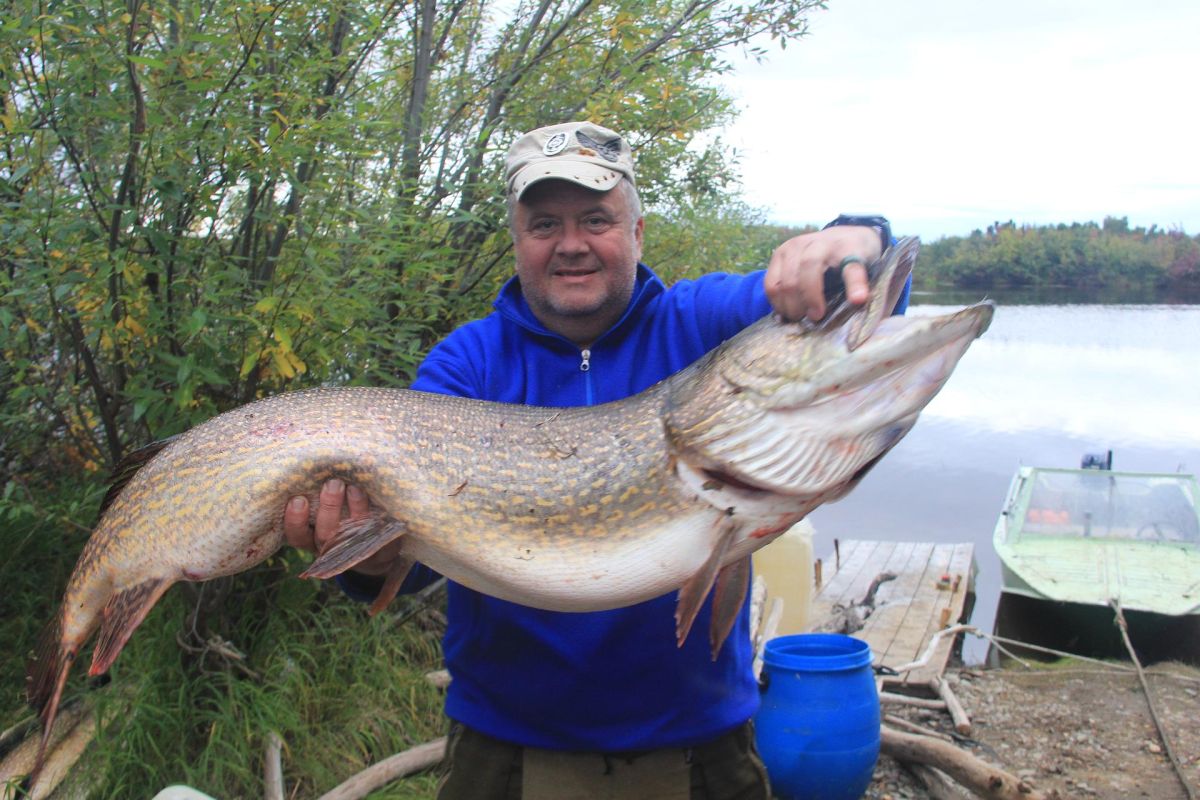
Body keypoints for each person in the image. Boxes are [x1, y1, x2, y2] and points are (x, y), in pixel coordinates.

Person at [283, 121, 908, 799]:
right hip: (505, 756)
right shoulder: (466, 366)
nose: (571, 244)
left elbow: (853, 315)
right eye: (545, 222)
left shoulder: (700, 323)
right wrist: (367, 554)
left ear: (637, 234)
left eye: (596, 219)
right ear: (517, 241)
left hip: (701, 749)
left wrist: (857, 239)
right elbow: (405, 566)